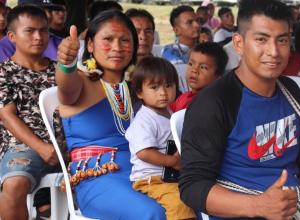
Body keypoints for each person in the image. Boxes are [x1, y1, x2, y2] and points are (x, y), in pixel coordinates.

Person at [179, 0, 300, 219]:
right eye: (261, 39)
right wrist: (259, 206)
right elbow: (192, 187)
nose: (274, 51)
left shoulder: (290, 90)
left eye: (282, 40)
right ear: (239, 43)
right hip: (244, 211)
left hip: (297, 206)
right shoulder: (214, 103)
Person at [56, 10, 166, 219]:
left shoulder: (138, 84)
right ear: (89, 45)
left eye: (125, 40)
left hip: (146, 170)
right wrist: (67, 63)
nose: (116, 47)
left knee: (190, 202)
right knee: (152, 213)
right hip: (98, 178)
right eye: (108, 39)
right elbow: (66, 87)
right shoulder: (81, 81)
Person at [0, 5, 59, 220]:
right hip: (24, 147)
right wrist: (42, 148)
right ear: (12, 37)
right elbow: (7, 116)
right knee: (14, 185)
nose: (38, 37)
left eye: (44, 30)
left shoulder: (60, 69)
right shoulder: (4, 71)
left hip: (67, 146)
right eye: (30, 31)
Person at [125, 57, 195, 220]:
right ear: (140, 92)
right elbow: (145, 153)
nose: (163, 93)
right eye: (154, 87)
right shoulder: (144, 120)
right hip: (152, 179)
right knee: (179, 203)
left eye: (168, 86)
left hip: (172, 175)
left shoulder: (169, 112)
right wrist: (173, 161)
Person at [170, 42, 227, 112]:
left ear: (218, 77)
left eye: (203, 67)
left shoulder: (211, 104)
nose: (194, 70)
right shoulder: (183, 97)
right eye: (190, 64)